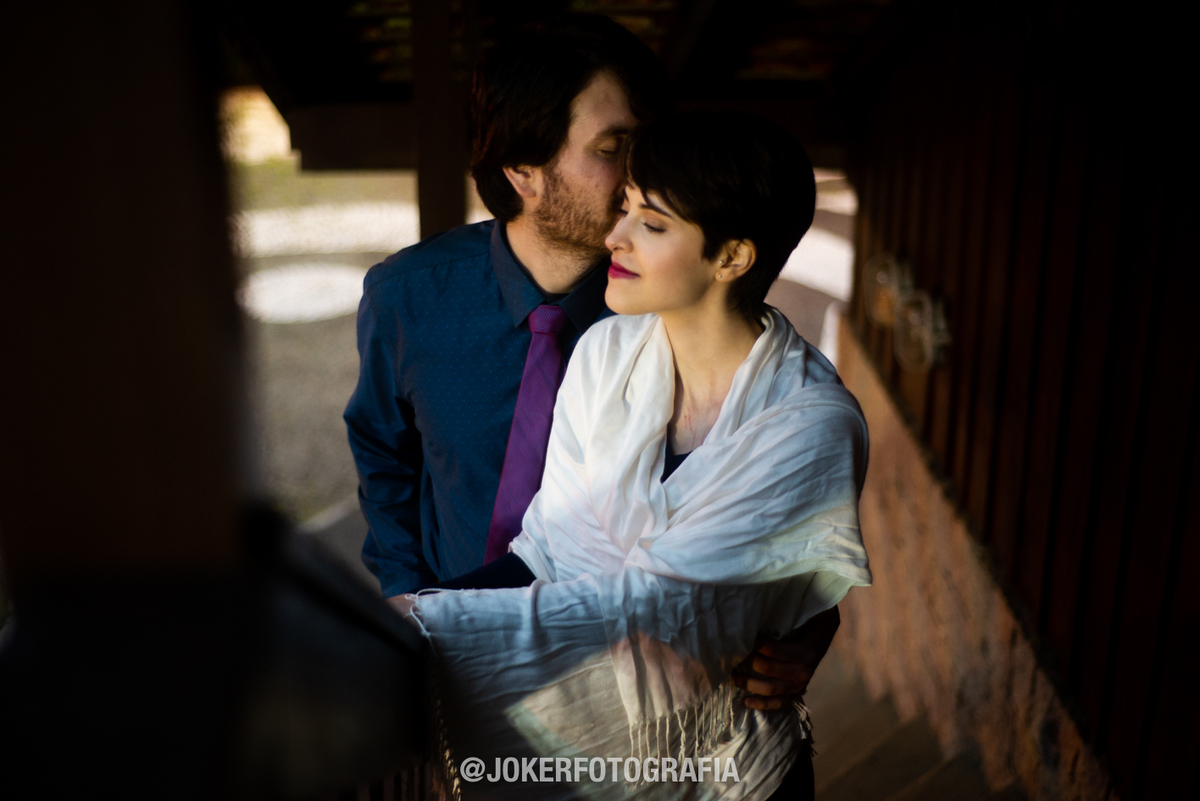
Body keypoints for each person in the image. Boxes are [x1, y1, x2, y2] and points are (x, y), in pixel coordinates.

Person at [344, 14, 836, 719]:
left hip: (642, 699)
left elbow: (764, 518)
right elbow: (383, 452)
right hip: (457, 659)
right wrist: (409, 603)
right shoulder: (408, 297)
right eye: (614, 148)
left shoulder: (675, 314)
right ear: (523, 171)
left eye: (646, 142)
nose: (644, 171)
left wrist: (807, 625)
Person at [403, 112, 872, 801]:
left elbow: (662, 606)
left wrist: (429, 625)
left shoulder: (809, 426)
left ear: (732, 258)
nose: (614, 236)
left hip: (728, 775)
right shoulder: (605, 354)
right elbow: (548, 552)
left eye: (650, 223)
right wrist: (407, 619)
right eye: (624, 206)